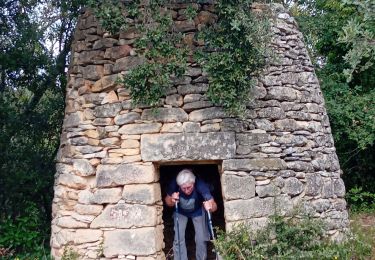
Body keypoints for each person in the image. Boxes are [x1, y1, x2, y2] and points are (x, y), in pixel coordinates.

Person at [165, 168, 217, 260]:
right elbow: (167, 202)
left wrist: (210, 206)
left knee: (201, 238)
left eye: (189, 187)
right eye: (183, 188)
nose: (186, 191)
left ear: (193, 183)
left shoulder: (200, 184)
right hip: (180, 212)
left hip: (198, 212)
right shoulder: (175, 183)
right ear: (179, 185)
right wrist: (172, 200)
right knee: (178, 238)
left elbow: (214, 207)